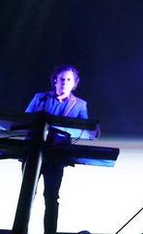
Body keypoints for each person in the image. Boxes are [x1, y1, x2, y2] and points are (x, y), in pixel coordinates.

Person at [25, 65, 89, 234]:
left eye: (68, 80)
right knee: (27, 194)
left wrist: (93, 130)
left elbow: (86, 129)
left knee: (51, 197)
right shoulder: (40, 98)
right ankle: (21, 229)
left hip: (56, 156)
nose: (64, 82)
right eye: (61, 79)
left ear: (74, 83)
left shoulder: (80, 105)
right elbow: (24, 119)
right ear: (55, 80)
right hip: (33, 152)